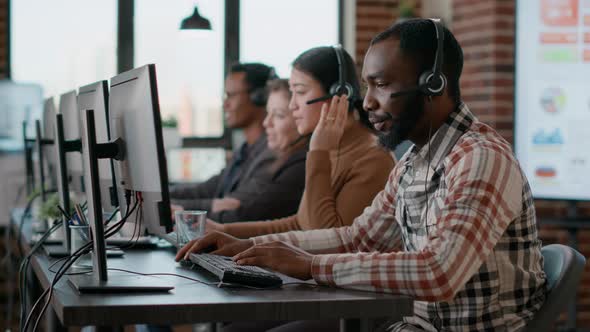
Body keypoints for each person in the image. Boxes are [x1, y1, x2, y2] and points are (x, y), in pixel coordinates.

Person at [178, 19, 547, 332]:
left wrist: (309, 265)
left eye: (382, 85)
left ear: (434, 84)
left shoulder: (480, 158)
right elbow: (358, 238)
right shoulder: (413, 162)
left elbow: (438, 272)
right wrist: (255, 248)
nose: (367, 101)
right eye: (367, 85)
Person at [206, 46, 395, 237]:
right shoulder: (332, 149)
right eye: (292, 92)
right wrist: (225, 232)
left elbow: (326, 239)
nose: (292, 105)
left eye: (301, 92)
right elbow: (301, 223)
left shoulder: (371, 160)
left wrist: (318, 152)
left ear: (339, 93)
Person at [170, 63, 280, 219]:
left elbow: (235, 206)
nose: (225, 104)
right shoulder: (245, 151)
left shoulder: (272, 154)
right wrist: (155, 197)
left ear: (259, 96)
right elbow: (205, 190)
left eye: (231, 95)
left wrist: (172, 207)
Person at [208, 79, 308, 223]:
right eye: (268, 113)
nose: (266, 123)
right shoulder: (279, 157)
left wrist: (185, 213)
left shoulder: (300, 165)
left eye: (279, 115)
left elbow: (243, 214)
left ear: (300, 119)